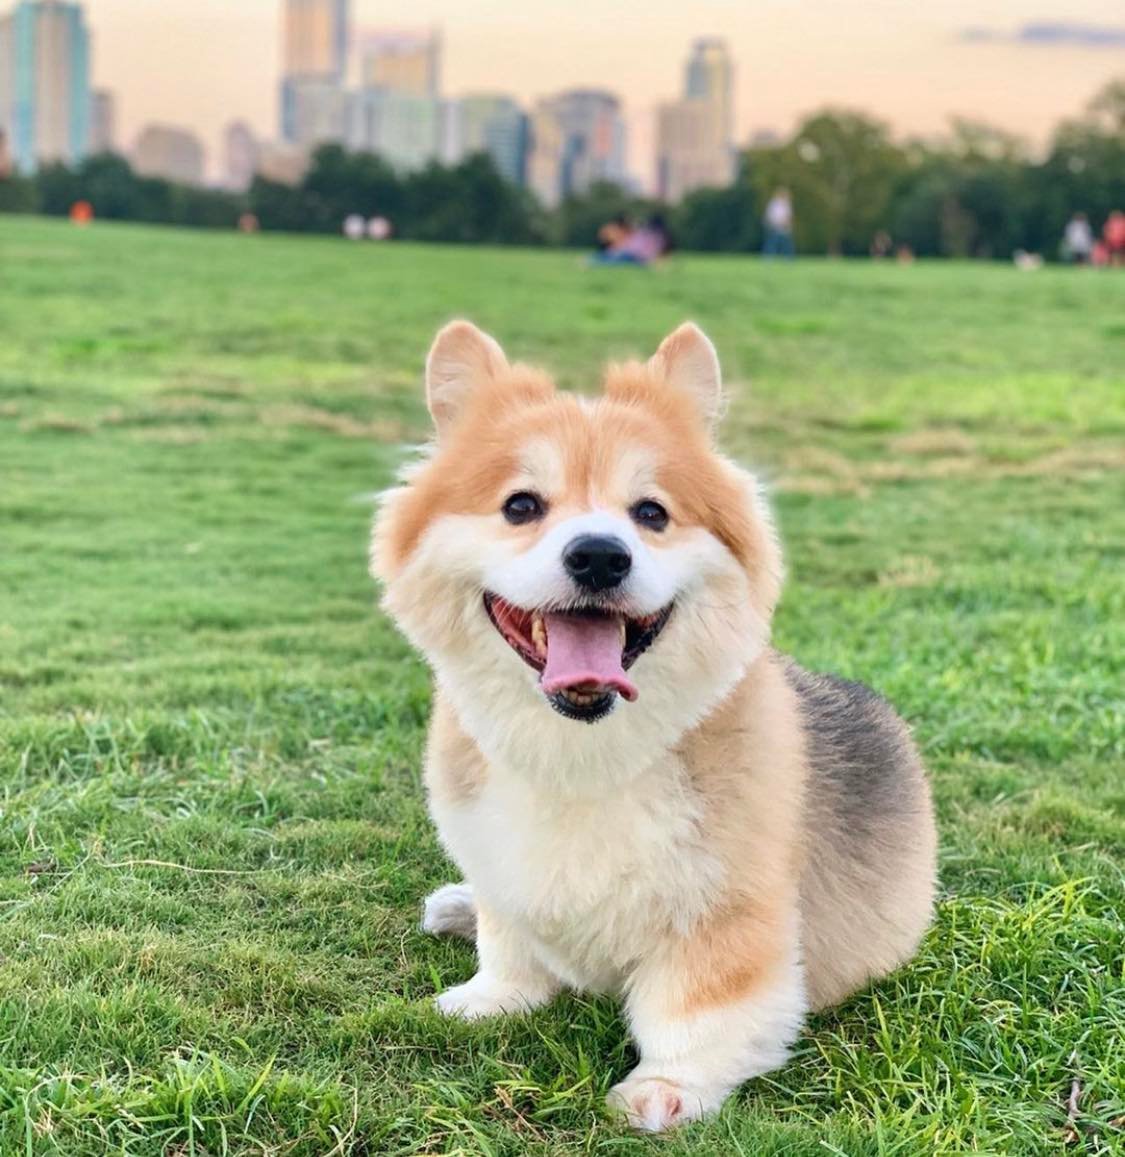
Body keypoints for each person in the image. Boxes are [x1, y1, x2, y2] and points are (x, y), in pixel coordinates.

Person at [762, 188, 795, 257]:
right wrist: (775, 223)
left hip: (784, 227)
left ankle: (788, 257)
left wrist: (786, 223)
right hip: (774, 226)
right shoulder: (774, 204)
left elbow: (789, 216)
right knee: (772, 242)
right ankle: (769, 256)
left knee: (786, 244)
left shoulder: (786, 204)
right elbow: (770, 215)